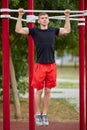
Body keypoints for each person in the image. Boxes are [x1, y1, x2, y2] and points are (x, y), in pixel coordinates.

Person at [15, 8, 71, 126]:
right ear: (39, 21)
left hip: (52, 65)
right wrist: (20, 15)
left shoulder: (53, 30)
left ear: (48, 20)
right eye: (42, 18)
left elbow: (67, 30)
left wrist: (67, 17)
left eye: (46, 18)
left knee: (48, 90)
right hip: (40, 65)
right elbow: (18, 29)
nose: (44, 19)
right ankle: (37, 114)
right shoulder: (35, 31)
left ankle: (44, 114)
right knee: (39, 91)